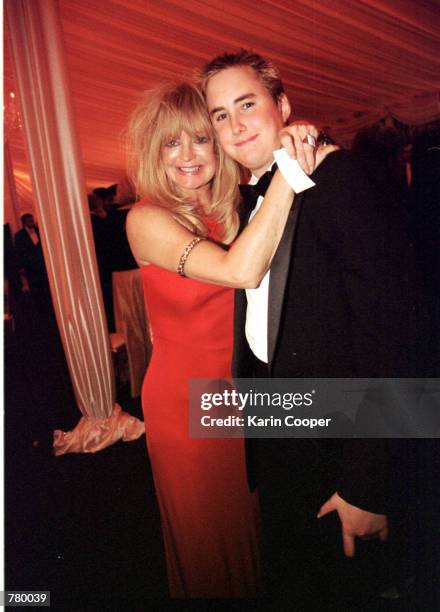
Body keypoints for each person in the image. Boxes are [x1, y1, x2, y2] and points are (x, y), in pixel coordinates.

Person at [199, 50, 417, 607]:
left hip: (341, 450)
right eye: (220, 114)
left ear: (284, 106)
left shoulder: (338, 176)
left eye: (247, 104)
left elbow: (394, 334)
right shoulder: (242, 201)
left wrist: (368, 481)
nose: (235, 124)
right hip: (280, 436)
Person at [126, 82, 334, 598]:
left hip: (240, 391)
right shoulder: (146, 218)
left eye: (200, 139)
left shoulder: (236, 206)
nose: (189, 156)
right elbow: (239, 270)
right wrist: (290, 167)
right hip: (185, 404)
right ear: (155, 152)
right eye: (172, 144)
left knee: (252, 532)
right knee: (210, 545)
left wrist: (286, 145)